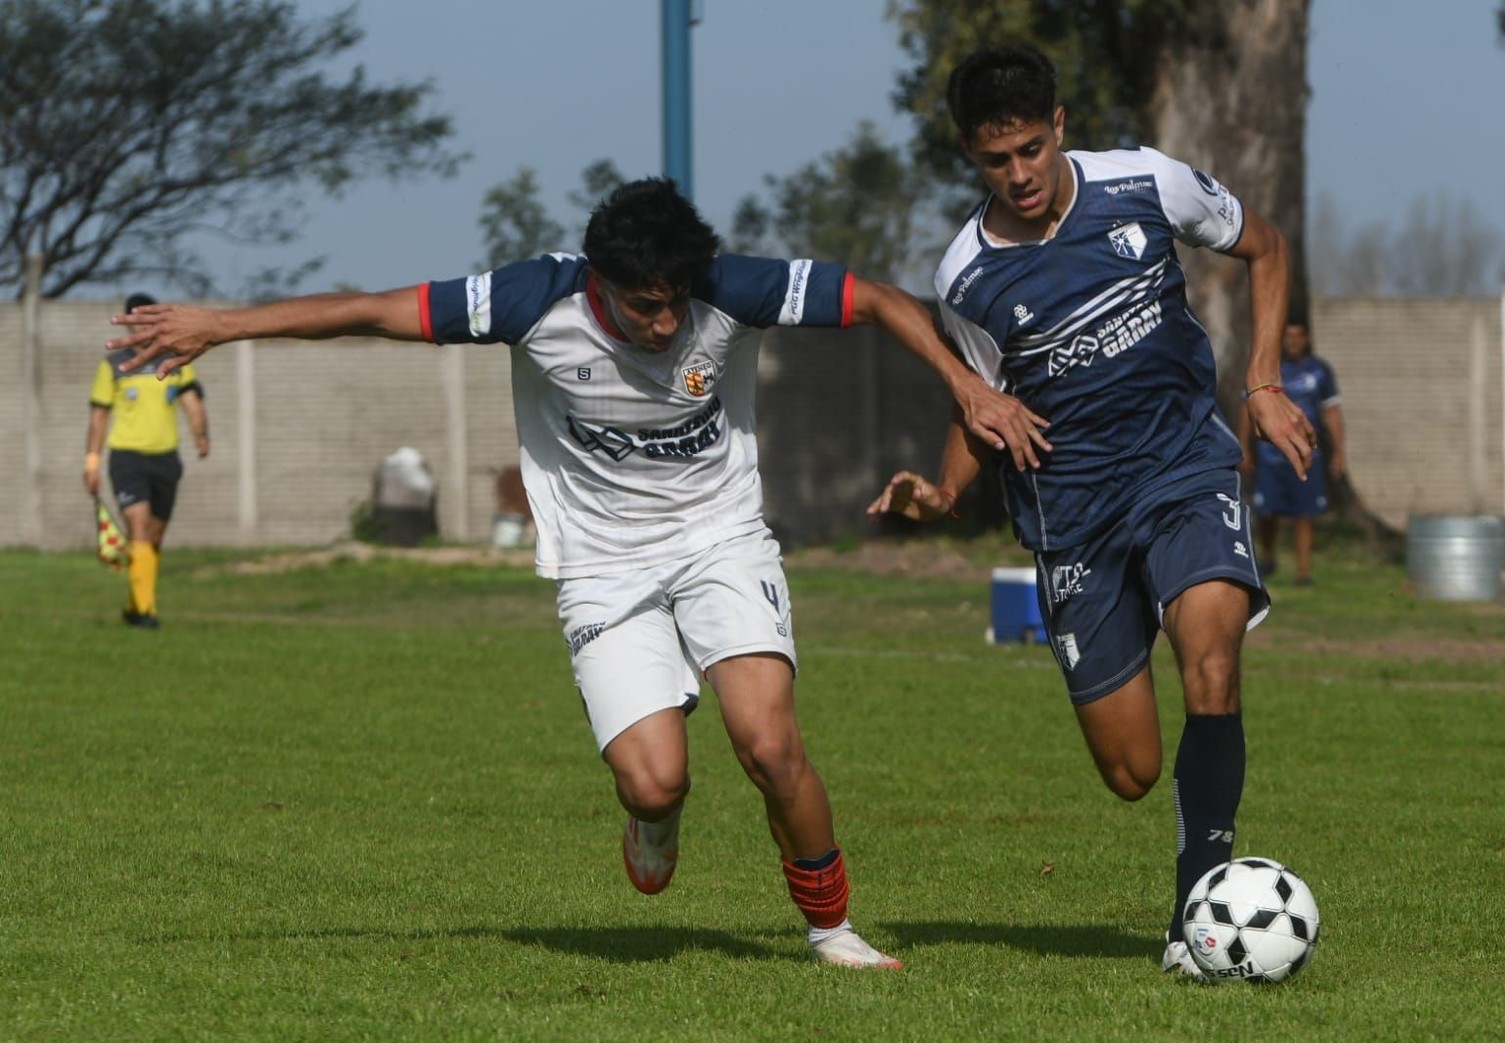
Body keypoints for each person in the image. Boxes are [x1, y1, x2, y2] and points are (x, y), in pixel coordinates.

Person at [106, 177, 1048, 968]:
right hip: (601, 566)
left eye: (678, 297)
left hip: (721, 539)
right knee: (653, 782)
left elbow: (877, 298)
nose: (667, 318)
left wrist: (964, 382)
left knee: (767, 743)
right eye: (646, 302)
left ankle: (832, 928)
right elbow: (369, 310)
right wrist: (221, 325)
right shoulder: (530, 301)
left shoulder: (729, 287)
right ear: (600, 283)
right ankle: (652, 818)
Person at [865, 47, 1317, 980]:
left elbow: (1264, 245)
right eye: (997, 160)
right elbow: (979, 405)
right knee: (1130, 771)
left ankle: (1197, 911)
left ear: (1059, 126)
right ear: (969, 155)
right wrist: (946, 491)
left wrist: (1263, 380)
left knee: (1212, 657)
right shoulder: (965, 277)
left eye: (1031, 148)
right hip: (1072, 516)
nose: (1020, 174)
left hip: (1183, 466)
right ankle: (1132, 653)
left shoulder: (1146, 184)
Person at [84, 293, 211, 629]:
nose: (143, 325)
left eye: (149, 318)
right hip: (127, 458)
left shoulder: (175, 360)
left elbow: (192, 401)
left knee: (153, 538)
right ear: (128, 322)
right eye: (137, 318)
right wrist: (92, 461)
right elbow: (99, 416)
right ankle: (146, 611)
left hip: (166, 458)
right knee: (138, 529)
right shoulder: (113, 365)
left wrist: (201, 434)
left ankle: (133, 604)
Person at [1239, 318, 1346, 586]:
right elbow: (1247, 409)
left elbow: (1331, 412)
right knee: (1267, 511)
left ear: (1307, 338)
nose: (1293, 341)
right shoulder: (1267, 370)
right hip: (1270, 456)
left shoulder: (1320, 371)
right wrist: (1244, 447)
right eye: (1288, 336)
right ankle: (1268, 556)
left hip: (1307, 455)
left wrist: (1339, 451)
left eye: (1298, 336)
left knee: (1304, 514)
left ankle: (1303, 572)